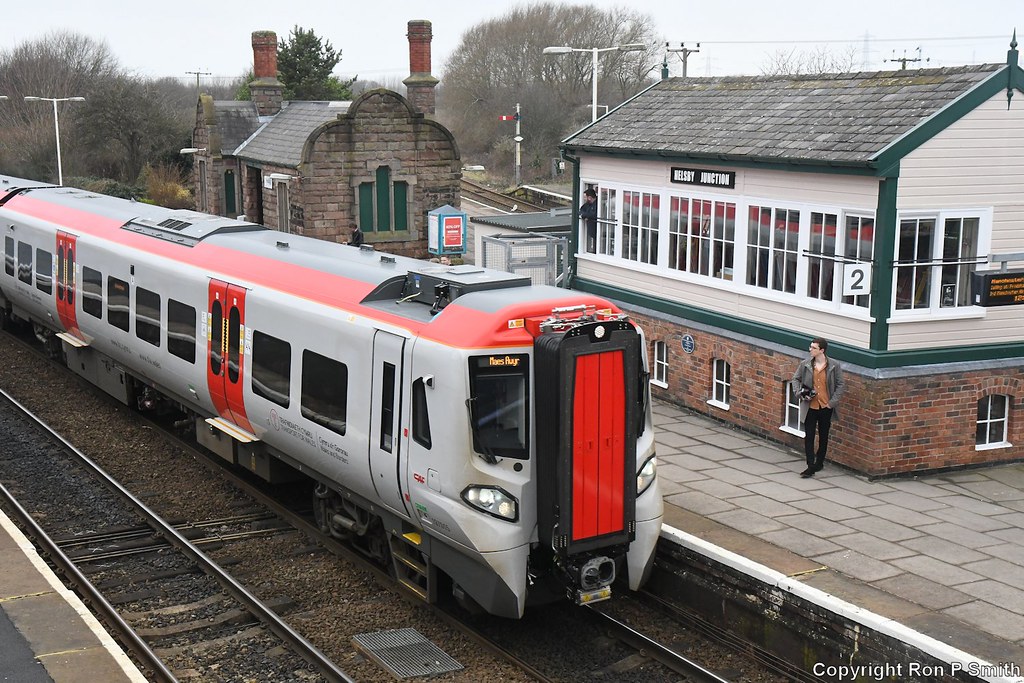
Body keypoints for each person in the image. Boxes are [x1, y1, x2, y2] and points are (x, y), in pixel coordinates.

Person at [791, 338, 845, 478]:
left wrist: (832, 403)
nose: (810, 350)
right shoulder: (805, 364)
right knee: (809, 436)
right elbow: (795, 379)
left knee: (823, 436)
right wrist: (799, 393)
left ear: (822, 350)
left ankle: (819, 462)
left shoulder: (834, 365)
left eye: (813, 348)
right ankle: (810, 465)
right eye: (810, 347)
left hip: (825, 406)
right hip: (810, 406)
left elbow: (840, 385)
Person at [578, 188, 598, 253]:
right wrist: (585, 215)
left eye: (585, 197)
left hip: (596, 230)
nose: (584, 199)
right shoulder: (588, 204)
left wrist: (586, 215)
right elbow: (581, 210)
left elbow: (594, 215)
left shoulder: (597, 204)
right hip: (591, 231)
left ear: (589, 197)